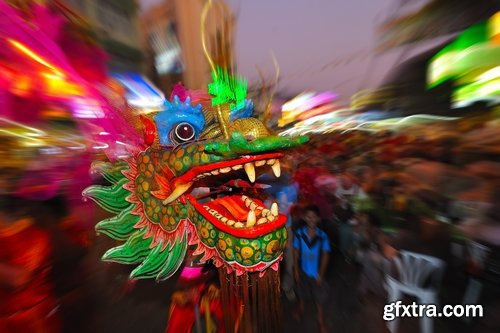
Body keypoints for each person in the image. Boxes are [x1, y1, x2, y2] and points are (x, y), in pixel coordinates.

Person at [293, 205, 330, 333]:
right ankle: (301, 308)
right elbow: (296, 251)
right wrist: (296, 269)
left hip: (316, 273)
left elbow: (325, 255)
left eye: (314, 217)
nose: (311, 219)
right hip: (303, 270)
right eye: (308, 216)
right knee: (301, 291)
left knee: (319, 297)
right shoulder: (299, 233)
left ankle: (320, 319)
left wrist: (321, 273)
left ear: (318, 219)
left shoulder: (322, 236)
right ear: (304, 217)